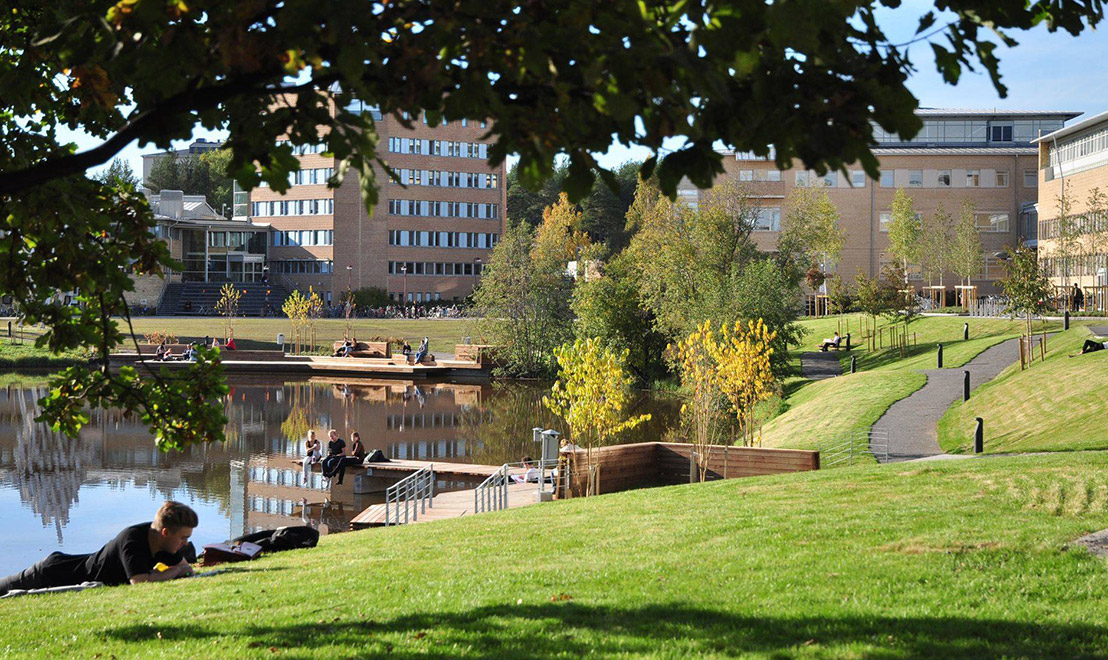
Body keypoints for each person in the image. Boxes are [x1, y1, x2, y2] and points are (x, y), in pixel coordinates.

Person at [0, 501, 197, 597]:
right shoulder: (133, 540)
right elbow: (140, 582)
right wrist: (175, 571)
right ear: (165, 532)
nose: (186, 544)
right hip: (52, 573)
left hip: (64, 568)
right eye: (183, 538)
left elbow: (186, 569)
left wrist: (179, 569)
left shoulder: (165, 545)